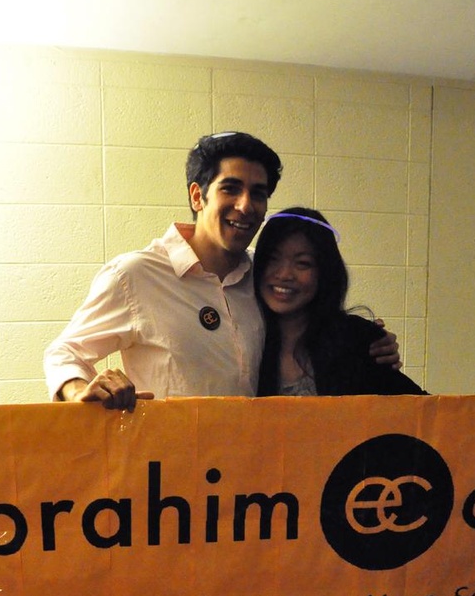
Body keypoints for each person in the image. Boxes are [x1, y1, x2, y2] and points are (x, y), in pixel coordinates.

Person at [43, 132, 401, 408]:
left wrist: (369, 342)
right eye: (231, 188)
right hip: (170, 470)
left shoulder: (261, 277)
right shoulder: (135, 275)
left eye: (258, 193)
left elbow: (313, 317)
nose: (245, 206)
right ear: (198, 196)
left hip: (251, 473)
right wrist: (79, 390)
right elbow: (64, 352)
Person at [252, 206, 475, 405]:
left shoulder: (356, 341)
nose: (284, 274)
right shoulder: (242, 334)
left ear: (324, 272)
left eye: (303, 263)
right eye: (273, 259)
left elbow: (421, 412)